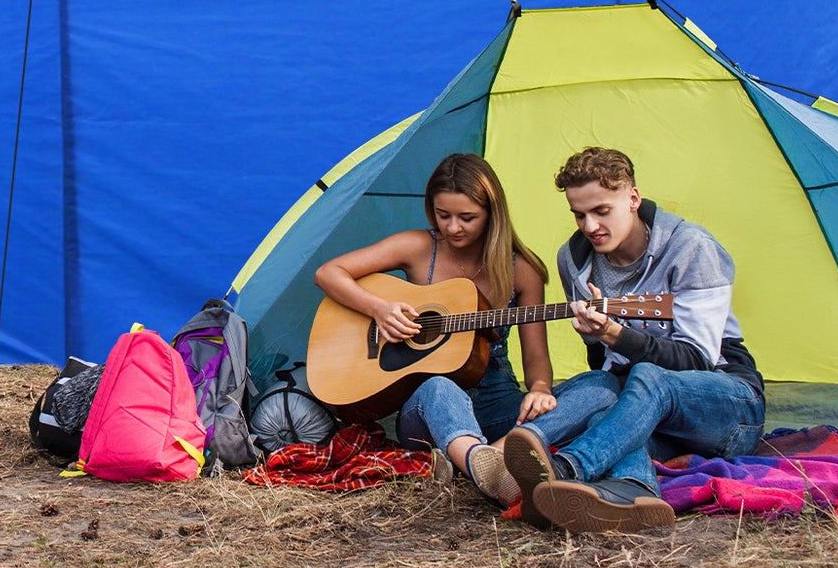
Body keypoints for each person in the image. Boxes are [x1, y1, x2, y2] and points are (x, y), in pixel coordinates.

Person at [502, 147, 765, 534]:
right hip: (656, 417)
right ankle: (635, 492)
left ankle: (566, 468)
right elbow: (608, 367)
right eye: (579, 214)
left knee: (646, 376)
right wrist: (596, 339)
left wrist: (614, 333)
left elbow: (696, 361)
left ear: (633, 199)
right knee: (603, 403)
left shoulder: (691, 248)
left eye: (601, 211)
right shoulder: (574, 259)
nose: (590, 226)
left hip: (729, 403)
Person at [314, 152, 555, 507]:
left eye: (467, 218)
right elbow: (329, 272)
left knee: (598, 389)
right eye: (444, 216)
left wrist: (540, 389)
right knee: (439, 387)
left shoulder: (521, 270)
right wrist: (380, 309)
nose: (453, 227)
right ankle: (482, 463)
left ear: (492, 214)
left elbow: (537, 358)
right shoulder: (418, 247)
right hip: (426, 407)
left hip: (495, 401)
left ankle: (479, 457)